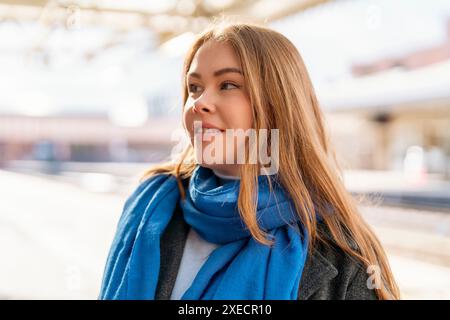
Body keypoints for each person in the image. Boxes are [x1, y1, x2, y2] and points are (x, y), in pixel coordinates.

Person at [99, 21, 400, 300]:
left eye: (228, 84)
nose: (199, 103)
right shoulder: (151, 206)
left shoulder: (344, 251)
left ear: (278, 103)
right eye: (194, 88)